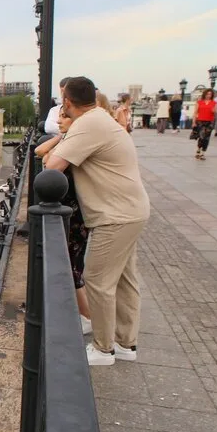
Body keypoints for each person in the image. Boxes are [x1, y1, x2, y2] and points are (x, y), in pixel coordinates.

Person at [45, 77, 150, 366]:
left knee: (97, 280)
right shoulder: (101, 119)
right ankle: (126, 343)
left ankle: (103, 349)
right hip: (131, 209)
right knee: (126, 280)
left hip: (114, 215)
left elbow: (52, 167)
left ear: (67, 101)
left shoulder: (88, 124)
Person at [36, 109, 93, 335]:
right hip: (66, 212)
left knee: (72, 267)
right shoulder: (69, 141)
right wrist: (61, 137)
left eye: (64, 116)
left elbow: (49, 163)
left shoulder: (76, 144)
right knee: (71, 265)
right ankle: (80, 312)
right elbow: (40, 150)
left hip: (73, 215)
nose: (58, 120)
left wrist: (61, 141)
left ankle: (86, 316)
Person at [192, 89, 217, 159]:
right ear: (204, 94)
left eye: (210, 94)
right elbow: (195, 112)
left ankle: (203, 152)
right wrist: (193, 122)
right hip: (200, 121)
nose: (209, 95)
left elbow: (215, 111)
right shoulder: (199, 102)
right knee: (201, 136)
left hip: (210, 121)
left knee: (207, 137)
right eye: (207, 94)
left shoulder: (214, 103)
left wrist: (214, 110)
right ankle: (198, 149)